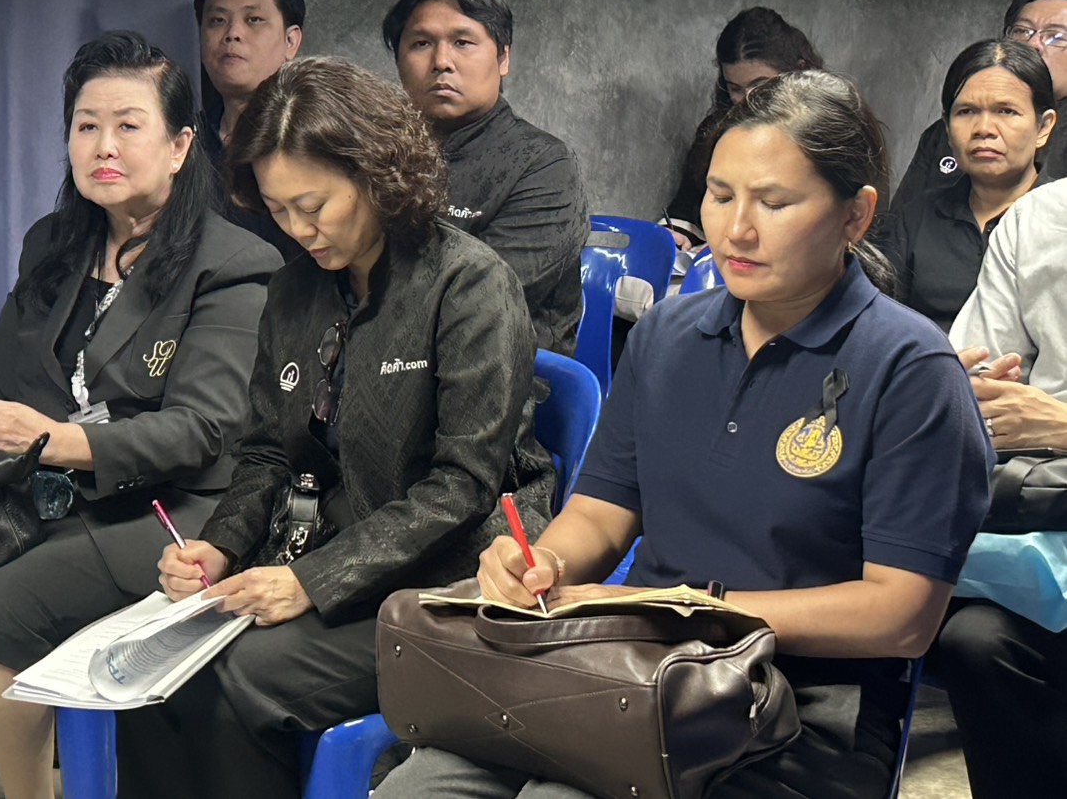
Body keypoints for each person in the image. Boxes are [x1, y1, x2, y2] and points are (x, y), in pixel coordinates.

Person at [377, 70, 992, 799]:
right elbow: (601, 514)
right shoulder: (668, 336)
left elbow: (900, 616)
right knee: (417, 787)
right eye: (720, 195)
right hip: (633, 668)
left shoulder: (909, 370)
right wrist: (543, 563)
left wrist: (690, 609)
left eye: (774, 203)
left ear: (855, 216)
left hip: (796, 709)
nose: (737, 230)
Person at [0, 31, 279, 799]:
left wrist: (58, 440)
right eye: (86, 125)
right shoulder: (55, 243)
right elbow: (8, 381)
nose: (104, 146)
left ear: (179, 146)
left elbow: (201, 431)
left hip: (166, 510)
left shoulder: (231, 263)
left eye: (128, 125)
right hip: (41, 492)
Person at [114, 56, 556, 799]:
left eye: (313, 205)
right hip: (320, 556)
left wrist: (311, 582)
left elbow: (463, 487)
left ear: (377, 175)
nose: (298, 229)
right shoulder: (294, 290)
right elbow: (265, 451)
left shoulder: (468, 284)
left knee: (239, 682)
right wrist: (221, 546)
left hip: (443, 585)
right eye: (278, 209)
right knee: (150, 676)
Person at [935, 177, 1067, 799]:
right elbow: (979, 363)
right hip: (1049, 506)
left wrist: (1061, 425)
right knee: (976, 639)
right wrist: (974, 389)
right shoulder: (1040, 218)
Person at [382, 0, 586, 354]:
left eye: (463, 42)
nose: (442, 61)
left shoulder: (544, 166)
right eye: (421, 43)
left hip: (497, 372)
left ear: (503, 57)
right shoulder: (379, 155)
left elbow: (481, 300)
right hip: (381, 358)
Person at [881, 39, 1056, 329]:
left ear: (1043, 127)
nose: (984, 129)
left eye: (1006, 111)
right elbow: (881, 324)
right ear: (947, 129)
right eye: (966, 112)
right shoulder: (916, 218)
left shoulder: (1059, 219)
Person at [660, 6, 823, 251]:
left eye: (760, 85)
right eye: (735, 88)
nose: (747, 99)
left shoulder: (825, 137)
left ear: (798, 72)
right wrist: (677, 234)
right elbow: (686, 206)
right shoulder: (717, 133)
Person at [895, 0, 1067, 205]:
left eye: (1055, 36)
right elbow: (903, 214)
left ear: (1044, 126)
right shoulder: (947, 130)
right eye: (1022, 31)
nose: (1033, 44)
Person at [194, 0, 306, 258]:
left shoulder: (316, 137)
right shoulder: (180, 142)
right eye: (217, 21)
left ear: (291, 41)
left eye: (253, 20)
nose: (232, 34)